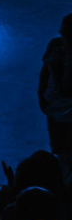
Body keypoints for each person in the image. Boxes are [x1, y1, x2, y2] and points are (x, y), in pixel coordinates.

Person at [39, 14, 72, 156]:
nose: (61, 34)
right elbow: (45, 70)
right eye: (62, 31)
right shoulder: (55, 45)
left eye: (66, 33)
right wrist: (41, 95)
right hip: (53, 106)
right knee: (57, 146)